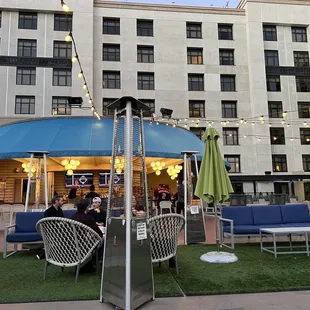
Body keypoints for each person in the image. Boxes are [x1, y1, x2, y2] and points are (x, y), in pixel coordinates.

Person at [36, 195, 64, 259]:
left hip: (60, 230)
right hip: (50, 231)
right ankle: (45, 255)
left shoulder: (60, 210)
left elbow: (62, 220)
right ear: (56, 201)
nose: (63, 202)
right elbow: (46, 224)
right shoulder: (48, 212)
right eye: (61, 201)